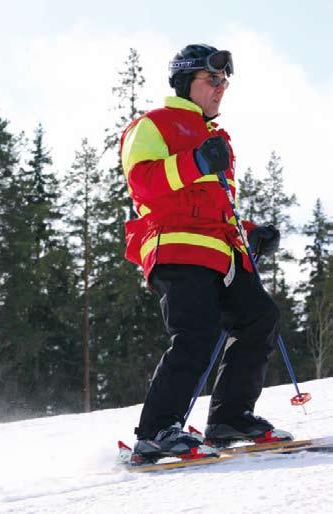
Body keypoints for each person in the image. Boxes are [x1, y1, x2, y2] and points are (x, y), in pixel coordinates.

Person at [120, 44, 291, 462]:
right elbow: (143, 184)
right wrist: (195, 161)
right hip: (175, 245)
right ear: (185, 82)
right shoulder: (153, 125)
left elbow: (216, 205)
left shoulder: (215, 137)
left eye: (224, 82)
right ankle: (156, 431)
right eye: (212, 80)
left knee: (259, 317)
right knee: (197, 333)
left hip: (221, 251)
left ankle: (229, 418)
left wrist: (251, 233)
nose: (221, 88)